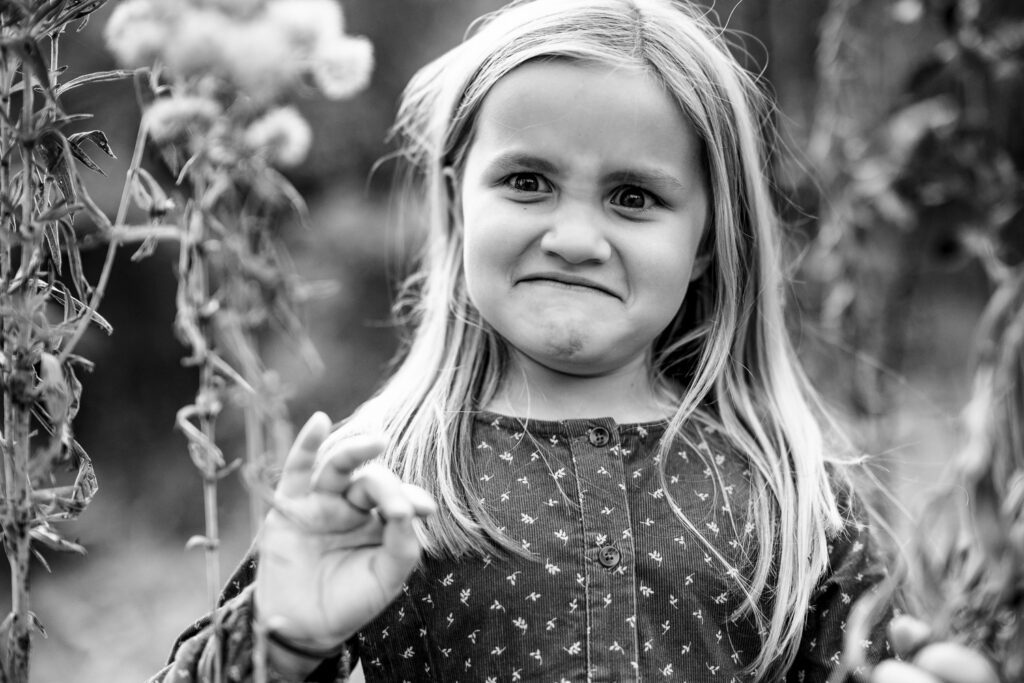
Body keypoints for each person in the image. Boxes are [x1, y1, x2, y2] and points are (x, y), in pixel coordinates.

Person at [152, 1, 1003, 681]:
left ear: (709, 239)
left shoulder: (790, 491)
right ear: (456, 202)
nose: (574, 237)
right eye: (528, 182)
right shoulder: (381, 480)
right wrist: (280, 646)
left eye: (633, 197)